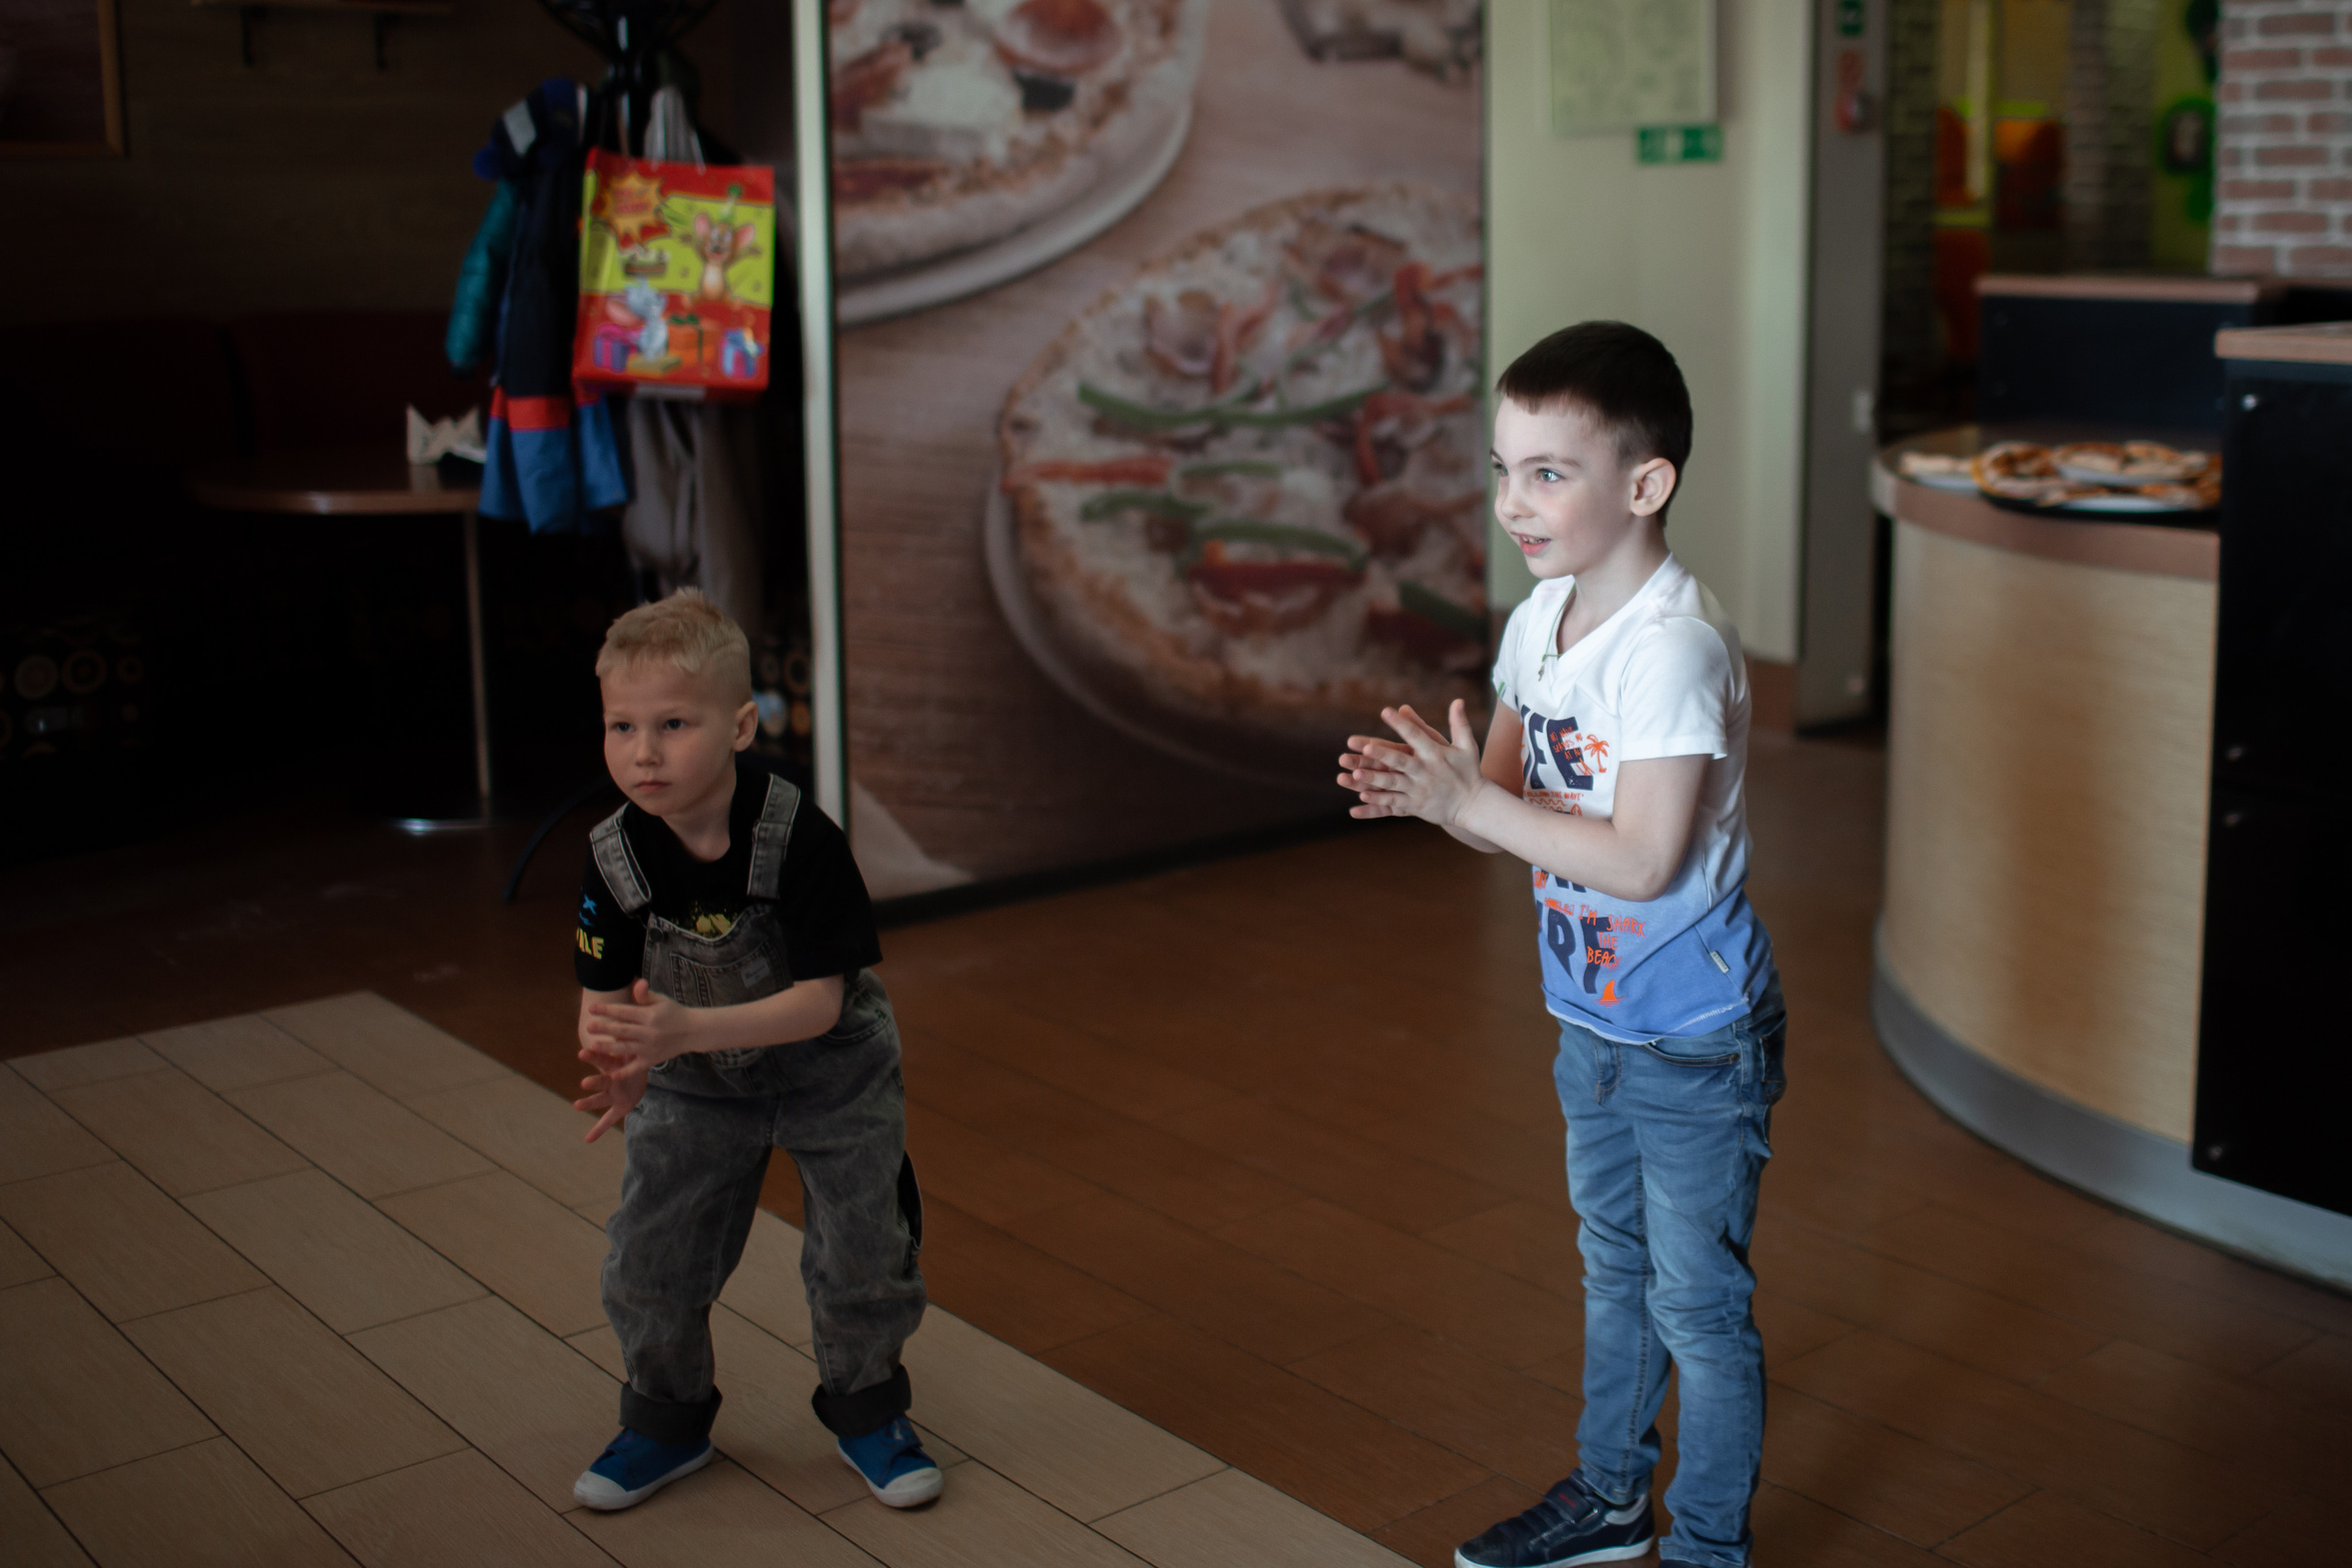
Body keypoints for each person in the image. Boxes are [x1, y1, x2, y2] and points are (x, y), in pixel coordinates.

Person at [1339, 321, 1783, 1568]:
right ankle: (1607, 1498)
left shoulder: (1674, 647)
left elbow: (1644, 857)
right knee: (1614, 1272)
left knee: (1698, 1303)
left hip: (1695, 1035)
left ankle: (1705, 1543)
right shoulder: (1540, 622)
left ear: (1646, 485)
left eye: (1548, 472)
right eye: (1501, 466)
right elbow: (1505, 811)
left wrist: (1476, 804)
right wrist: (1437, 786)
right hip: (1589, 1018)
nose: (1510, 502)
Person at [567, 590, 938, 1514]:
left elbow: (818, 1004)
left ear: (739, 725)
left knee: (861, 1249)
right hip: (690, 1086)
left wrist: (681, 1030)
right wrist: (623, 1063)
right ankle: (665, 1419)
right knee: (651, 1252)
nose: (642, 752)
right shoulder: (614, 856)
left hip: (832, 1076)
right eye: (622, 725)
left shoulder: (800, 838)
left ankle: (865, 1410)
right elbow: (603, 996)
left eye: (673, 724)